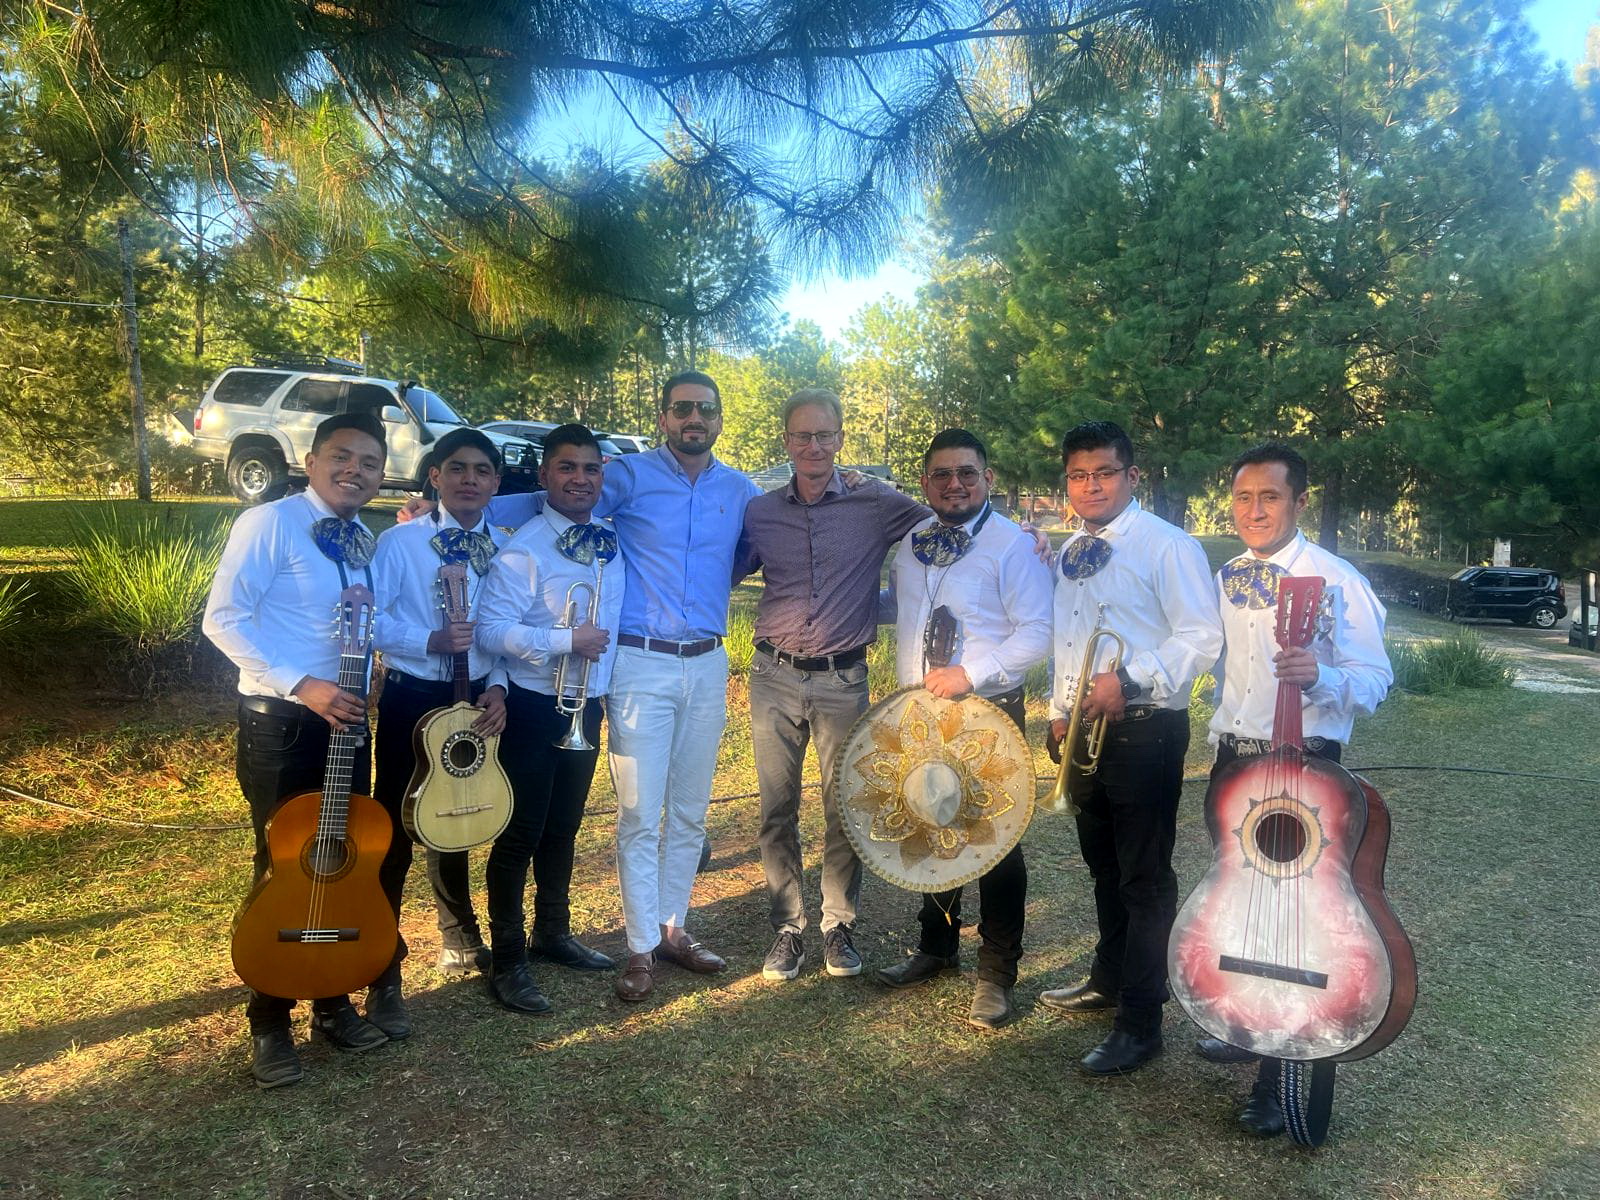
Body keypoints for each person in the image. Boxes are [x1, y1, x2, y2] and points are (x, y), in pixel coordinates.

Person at [1197, 441, 1393, 1135]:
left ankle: (1275, 1072)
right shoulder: (1224, 577)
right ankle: (1244, 1022)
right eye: (1243, 497)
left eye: (1270, 497)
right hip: (1233, 762)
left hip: (1306, 770)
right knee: (1239, 903)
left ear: (1300, 501)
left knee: (1296, 919)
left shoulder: (1337, 580)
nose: (1254, 510)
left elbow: (1376, 678)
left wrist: (1324, 677)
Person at [203, 411, 397, 1089]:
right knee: (284, 864)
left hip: (345, 724)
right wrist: (302, 683)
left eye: (369, 463)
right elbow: (223, 619)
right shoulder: (269, 523)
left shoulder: (363, 540)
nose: (355, 470)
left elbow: (357, 625)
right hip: (282, 722)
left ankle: (332, 1002)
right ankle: (268, 1019)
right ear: (310, 462)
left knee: (341, 858)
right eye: (342, 456)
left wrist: (366, 676)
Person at [1040, 420, 1222, 1075]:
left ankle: (1141, 1023)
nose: (1091, 486)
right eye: (1078, 475)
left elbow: (1202, 636)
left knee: (1144, 880)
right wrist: (1059, 713)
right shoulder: (1072, 549)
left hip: (1146, 729)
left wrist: (1133, 677)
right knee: (1105, 869)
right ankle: (1109, 979)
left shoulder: (1168, 545)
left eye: (1105, 473)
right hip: (1084, 732)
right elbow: (1068, 638)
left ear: (1132, 476)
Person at [738, 389, 928, 982]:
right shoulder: (760, 511)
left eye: (824, 435)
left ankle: (837, 925)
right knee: (777, 807)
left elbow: (947, 524)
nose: (814, 446)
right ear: (787, 441)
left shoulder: (878, 502)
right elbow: (718, 565)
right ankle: (788, 928)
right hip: (772, 675)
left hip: (843, 679)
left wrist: (1023, 537)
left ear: (841, 438)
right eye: (802, 435)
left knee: (843, 806)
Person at [872, 429, 1053, 1029]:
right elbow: (905, 614)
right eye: (942, 474)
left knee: (995, 841)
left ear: (987, 478)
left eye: (967, 473)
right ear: (926, 483)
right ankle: (936, 947)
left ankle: (997, 973)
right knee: (931, 822)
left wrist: (969, 673)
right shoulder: (913, 541)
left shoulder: (1014, 546)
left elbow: (1038, 631)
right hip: (922, 712)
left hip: (988, 710)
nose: (955, 484)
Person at [600, 372, 761, 1000]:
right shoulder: (627, 476)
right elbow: (558, 499)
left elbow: (791, 523)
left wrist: (853, 484)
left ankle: (674, 929)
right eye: (682, 408)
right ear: (663, 417)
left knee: (691, 811)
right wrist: (449, 510)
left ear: (719, 419)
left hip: (708, 663)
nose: (695, 418)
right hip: (639, 663)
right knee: (641, 813)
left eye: (706, 409)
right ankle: (639, 946)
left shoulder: (741, 490)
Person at [476, 424, 626, 1013]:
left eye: (590, 469)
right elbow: (490, 631)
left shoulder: (610, 538)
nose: (580, 479)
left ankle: (553, 932)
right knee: (521, 834)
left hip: (586, 705)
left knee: (564, 827)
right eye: (567, 467)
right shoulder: (525, 549)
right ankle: (508, 957)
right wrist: (566, 640)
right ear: (544, 476)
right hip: (535, 707)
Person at [368, 428, 510, 1014]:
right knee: (397, 823)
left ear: (496, 482)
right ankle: (381, 961)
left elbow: (507, 626)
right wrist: (427, 639)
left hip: (476, 698)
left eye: (481, 471)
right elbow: (368, 619)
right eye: (457, 469)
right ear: (435, 477)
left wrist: (498, 686)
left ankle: (458, 937)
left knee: (455, 813)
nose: (469, 480)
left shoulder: (505, 548)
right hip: (413, 696)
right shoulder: (400, 543)